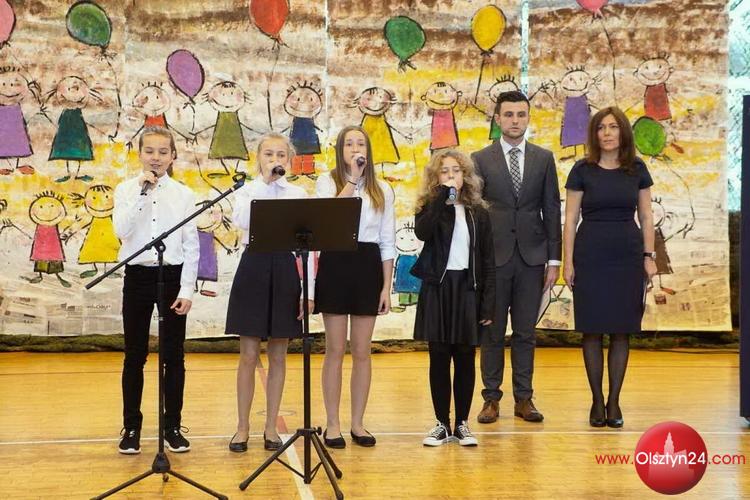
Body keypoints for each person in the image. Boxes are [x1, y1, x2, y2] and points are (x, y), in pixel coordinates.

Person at [471, 90, 562, 424]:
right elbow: (475, 213)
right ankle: (490, 399)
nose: (515, 120)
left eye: (521, 114)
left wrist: (554, 260)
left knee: (525, 332)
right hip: (494, 260)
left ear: (528, 118)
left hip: (532, 259)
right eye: (508, 114)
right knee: (492, 332)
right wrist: (477, 261)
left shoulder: (543, 158)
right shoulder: (480, 159)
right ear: (497, 119)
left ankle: (524, 398)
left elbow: (552, 209)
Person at [563, 106, 656, 428]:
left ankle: (614, 402)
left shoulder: (637, 169)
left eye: (613, 127)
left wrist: (648, 257)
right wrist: (568, 262)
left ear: (623, 132)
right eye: (601, 127)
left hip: (627, 254)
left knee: (620, 330)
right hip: (590, 254)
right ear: (594, 134)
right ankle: (596, 401)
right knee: (591, 330)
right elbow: (570, 219)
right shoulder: (581, 170)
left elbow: (646, 216)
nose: (607, 133)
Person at [225, 132, 315, 452]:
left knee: (278, 354)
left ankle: (271, 426)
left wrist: (308, 290)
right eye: (268, 154)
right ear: (258, 158)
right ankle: (242, 426)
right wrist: (264, 182)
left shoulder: (298, 194)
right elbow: (241, 221)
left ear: (289, 160)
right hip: (254, 266)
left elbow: (307, 246)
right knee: (248, 354)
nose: (275, 160)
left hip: (285, 268)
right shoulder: (247, 190)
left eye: (280, 155)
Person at [112, 126, 199, 454]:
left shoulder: (183, 194)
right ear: (140, 154)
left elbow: (191, 245)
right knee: (134, 354)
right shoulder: (125, 190)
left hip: (172, 277)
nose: (156, 158)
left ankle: (172, 425)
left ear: (173, 156)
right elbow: (122, 230)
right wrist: (141, 194)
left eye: (163, 152)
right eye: (150, 151)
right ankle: (132, 427)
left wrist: (187, 289)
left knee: (174, 355)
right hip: (137, 277)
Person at [315, 125, 396, 448]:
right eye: (348, 144)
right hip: (336, 260)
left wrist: (386, 287)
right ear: (340, 150)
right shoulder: (328, 181)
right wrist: (351, 179)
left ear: (368, 150)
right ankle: (332, 423)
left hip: (367, 263)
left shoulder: (383, 189)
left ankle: (358, 423)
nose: (354, 148)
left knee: (362, 350)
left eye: (359, 143)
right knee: (335, 348)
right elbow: (329, 219)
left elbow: (387, 241)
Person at [411, 149, 495, 447]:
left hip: (468, 288)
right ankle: (441, 424)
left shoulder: (478, 212)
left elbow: (488, 260)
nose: (450, 176)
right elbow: (423, 233)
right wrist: (440, 202)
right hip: (438, 288)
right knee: (439, 356)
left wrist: (488, 303)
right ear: (436, 177)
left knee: (464, 357)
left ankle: (461, 423)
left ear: (465, 176)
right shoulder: (428, 207)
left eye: (455, 171)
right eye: (444, 171)